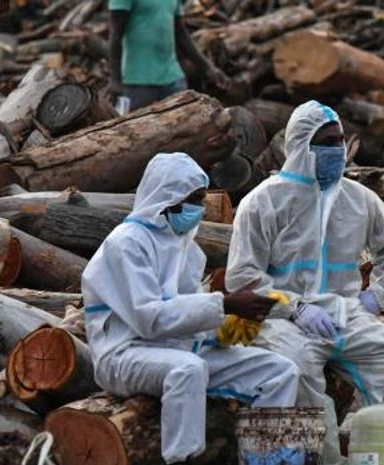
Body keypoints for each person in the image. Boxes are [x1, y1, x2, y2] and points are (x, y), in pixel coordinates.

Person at [225, 101, 384, 465]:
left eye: (339, 141)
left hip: (348, 312)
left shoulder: (358, 198)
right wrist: (294, 306)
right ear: (302, 145)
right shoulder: (263, 202)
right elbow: (243, 276)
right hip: (283, 320)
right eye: (326, 142)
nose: (336, 151)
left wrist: (374, 299)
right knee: (297, 377)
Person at [81, 152, 299, 465]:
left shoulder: (186, 247)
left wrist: (226, 328)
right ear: (166, 197)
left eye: (201, 198)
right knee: (188, 369)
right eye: (194, 199)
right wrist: (224, 303)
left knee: (280, 371)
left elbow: (189, 311)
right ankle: (181, 458)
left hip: (181, 346)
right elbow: (149, 319)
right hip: (124, 353)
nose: (199, 207)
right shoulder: (127, 243)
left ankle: (270, 459)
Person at [108, 0, 230, 111]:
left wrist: (208, 67)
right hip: (137, 82)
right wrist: (116, 80)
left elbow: (180, 32)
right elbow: (115, 35)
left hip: (173, 79)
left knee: (185, 128)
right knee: (140, 132)